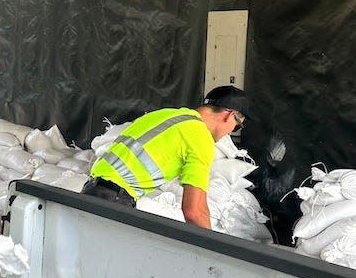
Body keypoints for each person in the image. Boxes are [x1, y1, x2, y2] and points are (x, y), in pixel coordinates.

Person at [81, 85, 249, 229]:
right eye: (236, 127)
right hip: (115, 201)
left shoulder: (165, 115)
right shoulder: (201, 138)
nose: (229, 133)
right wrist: (215, 251)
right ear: (229, 115)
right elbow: (194, 211)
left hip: (91, 189)